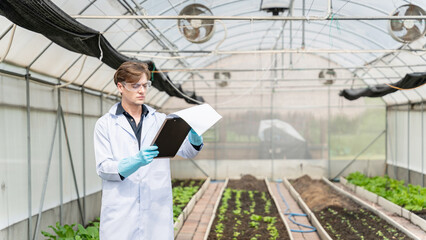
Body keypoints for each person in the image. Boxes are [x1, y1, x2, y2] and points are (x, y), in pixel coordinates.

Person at [94, 61, 203, 240]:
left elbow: (187, 151)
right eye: (135, 85)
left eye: (145, 85)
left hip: (155, 211)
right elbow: (104, 168)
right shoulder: (105, 124)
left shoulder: (160, 120)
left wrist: (194, 139)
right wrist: (135, 161)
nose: (142, 90)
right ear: (120, 87)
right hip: (121, 213)